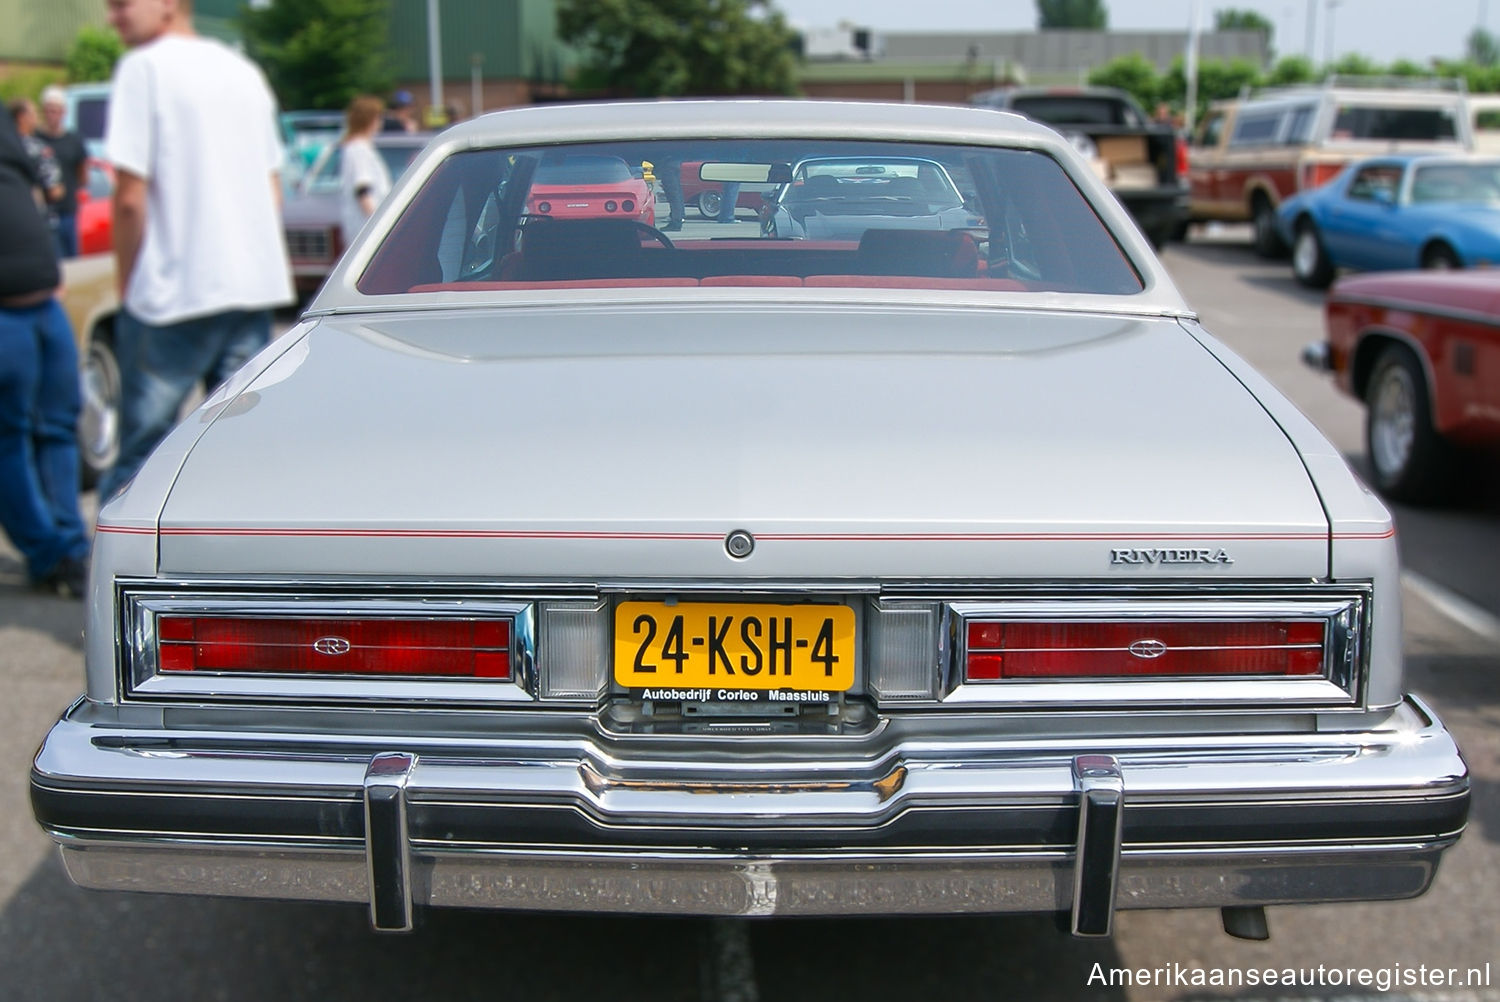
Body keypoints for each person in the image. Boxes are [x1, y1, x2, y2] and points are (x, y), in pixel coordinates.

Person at [97, 0, 294, 501]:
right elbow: (272, 189)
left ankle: (120, 574)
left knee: (142, 458)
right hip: (249, 286)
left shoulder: (143, 69)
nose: (111, 17)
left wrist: (127, 285)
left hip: (172, 291)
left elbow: (129, 198)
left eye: (121, 5)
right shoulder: (243, 72)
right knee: (236, 458)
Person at [0, 106, 91, 596]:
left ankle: (71, 546)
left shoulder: (8, 127)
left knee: (59, 424)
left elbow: (41, 191)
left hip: (43, 304)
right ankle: (47, 553)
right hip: (5, 316)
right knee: (8, 436)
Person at [35, 86, 88, 259]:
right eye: (49, 111)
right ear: (43, 111)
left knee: (72, 260)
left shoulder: (74, 140)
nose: (53, 116)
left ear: (64, 112)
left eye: (57, 111)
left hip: (68, 211)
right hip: (43, 212)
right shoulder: (35, 139)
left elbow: (83, 174)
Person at [6, 97, 64, 242]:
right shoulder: (36, 148)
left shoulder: (5, 147)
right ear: (21, 117)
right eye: (33, 113)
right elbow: (54, 190)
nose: (36, 118)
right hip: (39, 222)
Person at [338, 95, 392, 249]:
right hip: (365, 227)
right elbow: (362, 190)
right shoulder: (357, 149)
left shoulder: (360, 148)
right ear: (370, 119)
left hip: (365, 225)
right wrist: (379, 224)